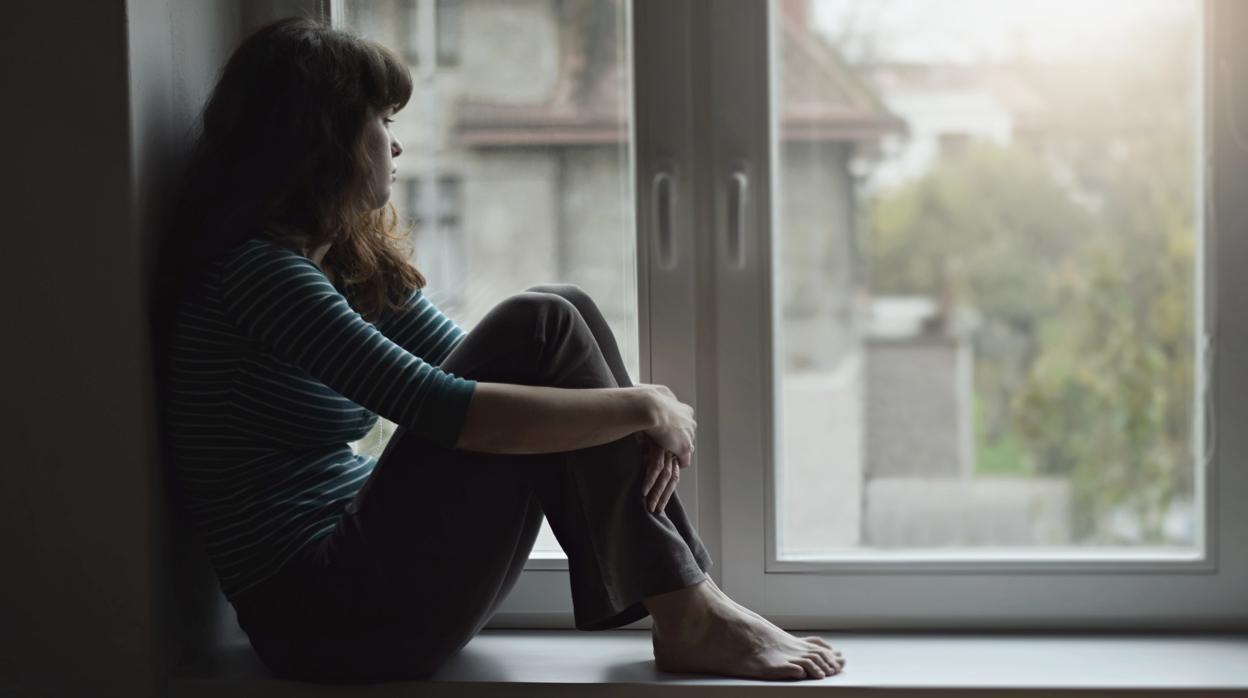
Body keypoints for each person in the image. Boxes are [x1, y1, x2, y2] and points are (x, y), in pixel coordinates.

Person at [154, 16, 845, 684]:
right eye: (383, 122)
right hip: (324, 620)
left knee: (560, 310)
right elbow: (450, 408)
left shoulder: (337, 265)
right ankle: (689, 610)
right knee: (542, 320)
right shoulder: (258, 277)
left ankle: (689, 604)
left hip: (364, 594)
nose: (396, 147)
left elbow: (480, 367)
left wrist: (631, 410)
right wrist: (641, 406)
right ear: (324, 139)